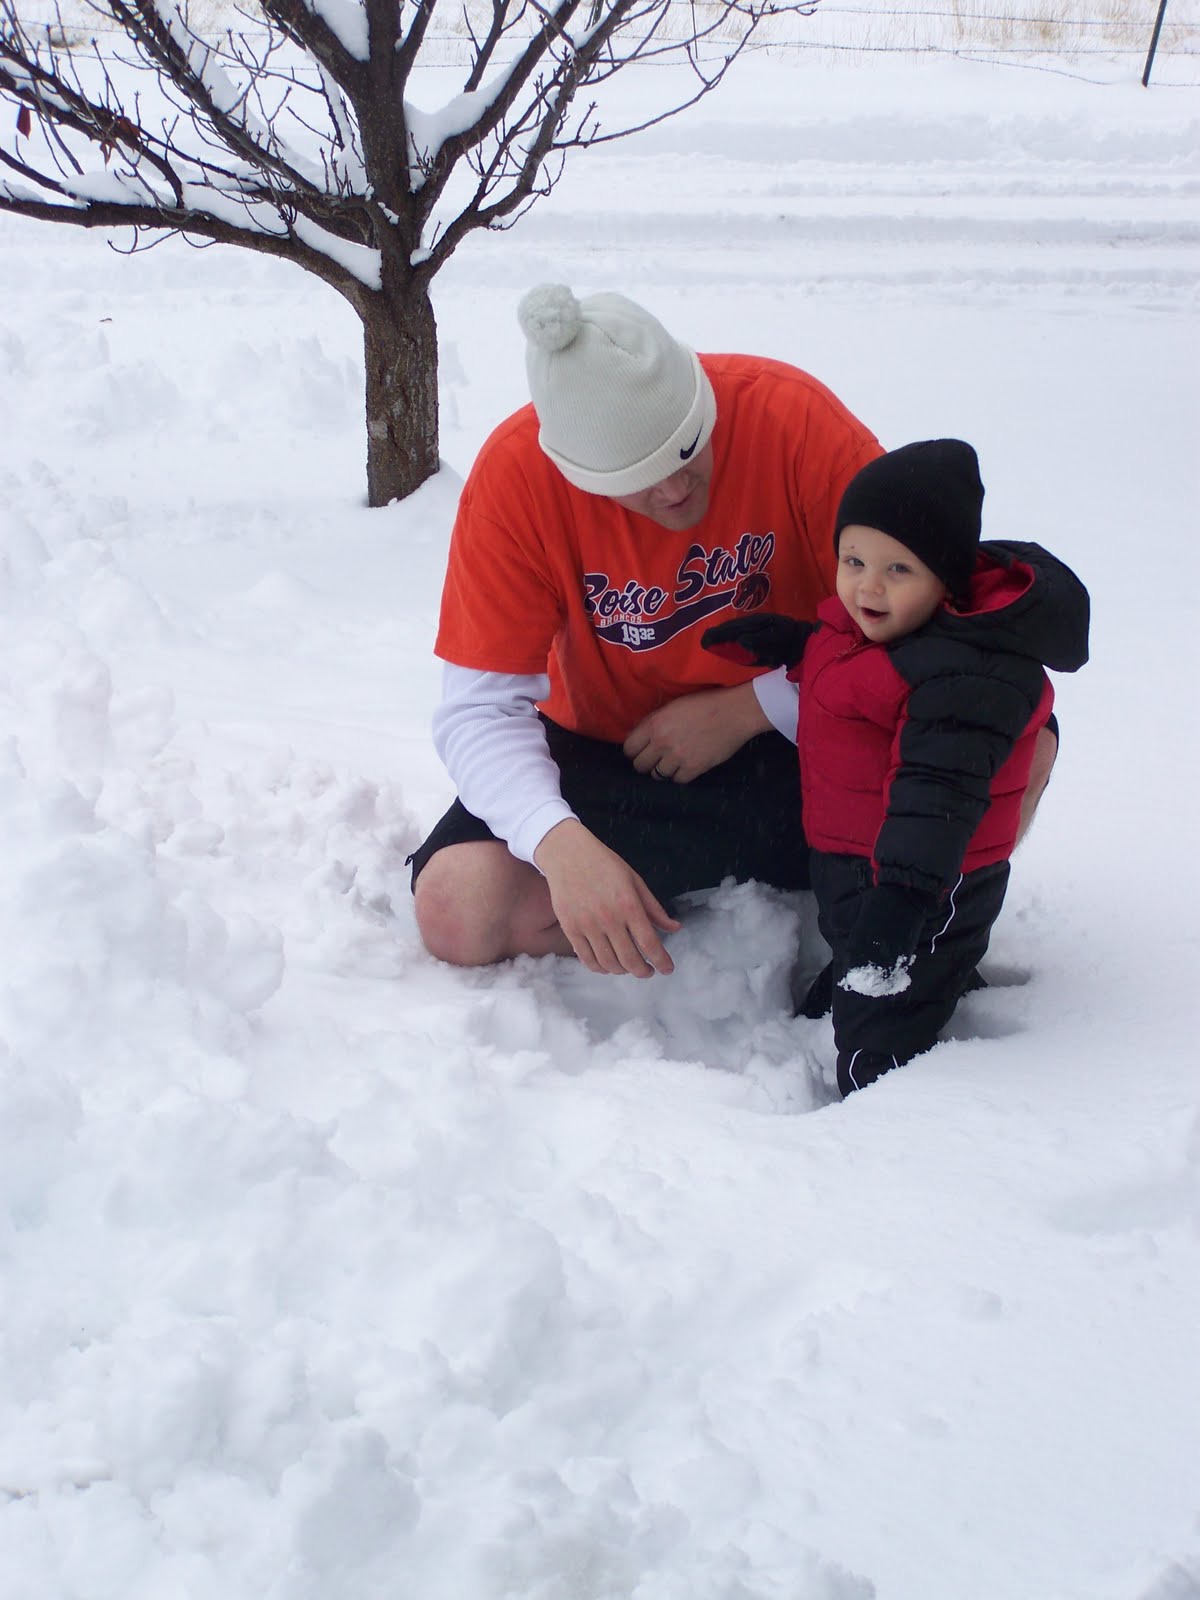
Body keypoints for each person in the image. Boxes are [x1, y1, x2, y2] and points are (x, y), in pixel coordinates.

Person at [703, 438, 1090, 1096]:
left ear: (945, 582)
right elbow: (858, 678)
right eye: (853, 560)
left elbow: (936, 804)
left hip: (925, 882)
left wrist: (901, 907)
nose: (867, 585)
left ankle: (882, 1134)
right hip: (863, 869)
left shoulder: (964, 675)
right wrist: (796, 646)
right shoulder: (881, 634)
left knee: (879, 1038)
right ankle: (921, 971)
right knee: (867, 959)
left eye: (897, 570)